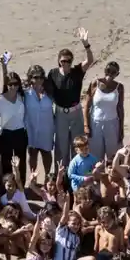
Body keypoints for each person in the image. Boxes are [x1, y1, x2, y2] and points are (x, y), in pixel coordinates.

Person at [46, 27, 95, 172]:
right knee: (61, 147)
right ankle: (61, 178)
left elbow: (90, 60)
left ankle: (77, 175)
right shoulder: (53, 74)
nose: (65, 63)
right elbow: (47, 91)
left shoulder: (77, 71)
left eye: (68, 61)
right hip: (60, 112)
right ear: (59, 61)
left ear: (71, 61)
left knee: (77, 145)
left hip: (75, 112)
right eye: (62, 61)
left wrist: (86, 44)